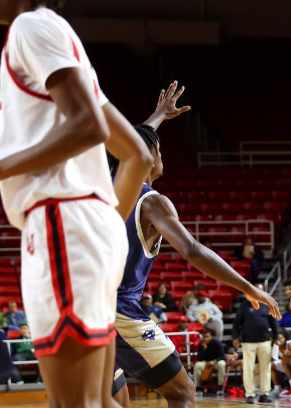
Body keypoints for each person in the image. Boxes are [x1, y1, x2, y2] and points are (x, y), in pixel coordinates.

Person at [0, 2, 155, 405]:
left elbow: (89, 125)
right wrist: (102, 227)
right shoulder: (55, 33)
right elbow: (136, 153)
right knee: (95, 402)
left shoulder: (28, 27)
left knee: (73, 404)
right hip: (82, 228)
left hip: (60, 222)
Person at [109, 83, 279, 407]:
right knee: (183, 393)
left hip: (84, 309)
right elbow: (192, 250)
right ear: (148, 157)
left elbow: (133, 146)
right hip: (118, 312)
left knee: (116, 402)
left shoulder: (109, 189)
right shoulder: (152, 203)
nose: (162, 155)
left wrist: (158, 116)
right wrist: (248, 287)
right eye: (158, 150)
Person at [232, 283, 278, 404]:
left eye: (261, 290)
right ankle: (250, 394)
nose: (259, 292)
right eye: (257, 290)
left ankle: (265, 393)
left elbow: (273, 322)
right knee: (248, 368)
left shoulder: (266, 305)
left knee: (266, 368)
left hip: (265, 340)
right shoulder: (244, 305)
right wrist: (235, 337)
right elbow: (237, 323)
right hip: (248, 342)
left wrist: (277, 336)